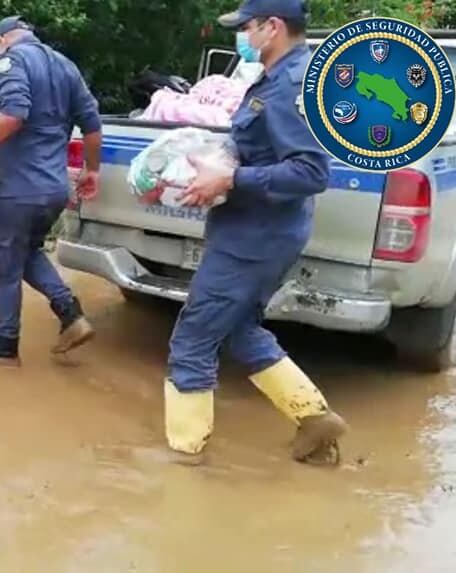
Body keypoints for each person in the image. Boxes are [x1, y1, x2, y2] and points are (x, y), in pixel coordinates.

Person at [163, 0, 348, 465]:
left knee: (192, 338)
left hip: (254, 238)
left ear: (273, 27)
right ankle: (314, 418)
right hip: (263, 232)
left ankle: (184, 461)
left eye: (246, 27)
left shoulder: (289, 86)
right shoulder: (277, 78)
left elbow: (310, 172)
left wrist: (230, 178)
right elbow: (262, 148)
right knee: (239, 328)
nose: (242, 36)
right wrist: (220, 162)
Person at [0, 16, 103, 367]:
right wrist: (91, 169)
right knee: (28, 251)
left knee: (2, 260)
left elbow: (14, 113)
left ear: (1, 39)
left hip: (17, 188)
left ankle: (4, 347)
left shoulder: (10, 60)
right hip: (54, 189)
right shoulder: (65, 66)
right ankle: (70, 314)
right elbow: (93, 124)